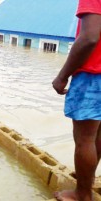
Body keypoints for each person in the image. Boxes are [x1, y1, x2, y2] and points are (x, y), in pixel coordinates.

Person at [52, 0, 101, 200]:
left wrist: (62, 76)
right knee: (98, 133)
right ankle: (86, 180)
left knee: (84, 139)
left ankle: (82, 193)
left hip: (93, 75)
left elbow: (89, 37)